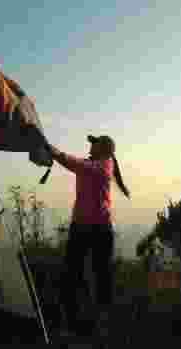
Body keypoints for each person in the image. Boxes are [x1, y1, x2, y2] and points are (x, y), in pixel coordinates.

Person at [48, 135, 130, 336]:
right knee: (80, 275)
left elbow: (71, 162)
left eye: (94, 144)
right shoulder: (96, 164)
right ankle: (79, 322)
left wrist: (50, 149)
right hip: (88, 228)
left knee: (94, 276)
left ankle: (95, 324)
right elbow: (75, 163)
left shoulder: (102, 167)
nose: (90, 147)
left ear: (103, 149)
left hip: (94, 229)